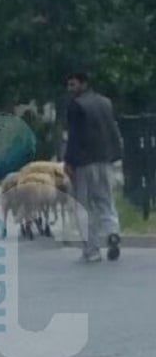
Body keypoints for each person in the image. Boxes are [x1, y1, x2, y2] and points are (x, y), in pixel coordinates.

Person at [64, 73, 123, 262]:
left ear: (84, 84)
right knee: (106, 200)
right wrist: (116, 154)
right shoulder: (106, 102)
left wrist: (69, 162)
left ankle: (92, 250)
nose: (70, 89)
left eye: (73, 84)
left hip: (83, 163)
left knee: (84, 205)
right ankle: (112, 232)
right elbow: (113, 129)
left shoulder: (76, 106)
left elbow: (74, 137)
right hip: (104, 160)